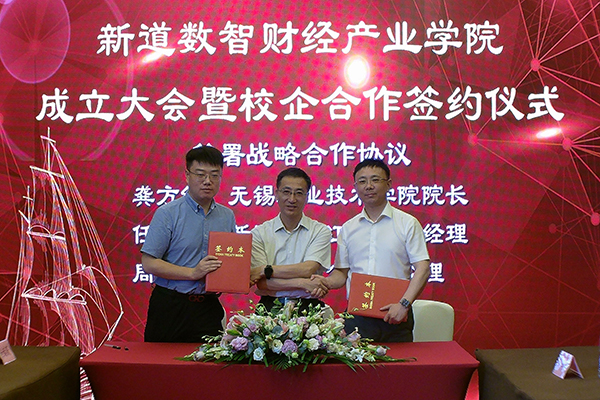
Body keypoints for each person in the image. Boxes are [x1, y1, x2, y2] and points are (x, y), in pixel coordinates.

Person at [320, 158, 430, 342]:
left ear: (389, 184)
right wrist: (325, 282)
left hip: (395, 314)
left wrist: (404, 304)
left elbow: (423, 268)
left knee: (399, 361)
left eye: (375, 180)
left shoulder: (407, 223)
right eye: (362, 181)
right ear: (356, 187)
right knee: (354, 361)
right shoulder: (348, 228)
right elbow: (341, 273)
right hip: (357, 316)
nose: (369, 186)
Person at [141, 146, 236, 342]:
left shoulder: (227, 216)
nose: (208, 181)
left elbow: (229, 259)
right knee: (159, 359)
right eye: (200, 175)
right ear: (187, 175)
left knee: (211, 360)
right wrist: (192, 273)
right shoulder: (167, 213)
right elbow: (149, 263)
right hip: (171, 305)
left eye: (214, 175)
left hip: (208, 306)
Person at [250, 167, 331, 313]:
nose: (292, 199)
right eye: (286, 192)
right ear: (276, 194)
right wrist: (303, 283)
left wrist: (265, 270)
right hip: (270, 306)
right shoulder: (259, 233)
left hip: (308, 307)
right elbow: (262, 283)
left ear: (307, 197)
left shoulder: (320, 231)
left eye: (299, 193)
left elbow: (308, 269)